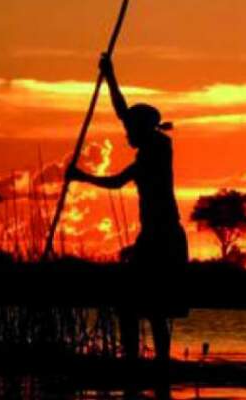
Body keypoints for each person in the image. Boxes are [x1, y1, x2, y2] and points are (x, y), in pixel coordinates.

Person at [67, 53, 188, 368]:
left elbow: (117, 182)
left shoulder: (156, 151)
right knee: (136, 304)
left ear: (143, 129)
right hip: (153, 237)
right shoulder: (151, 146)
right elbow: (123, 112)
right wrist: (110, 75)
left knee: (146, 306)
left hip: (164, 238)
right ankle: (141, 362)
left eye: (131, 128)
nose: (126, 133)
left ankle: (147, 364)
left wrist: (82, 177)